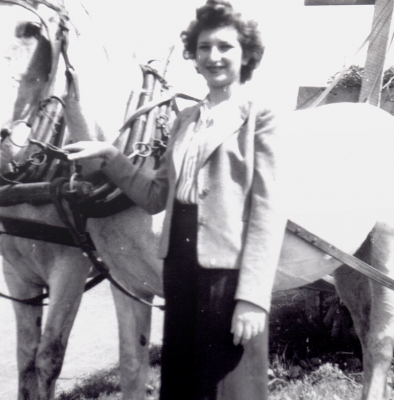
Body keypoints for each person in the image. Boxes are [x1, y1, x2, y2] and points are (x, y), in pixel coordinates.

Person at [64, 1, 286, 399]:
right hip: (179, 265)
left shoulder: (260, 115)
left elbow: (269, 211)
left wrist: (252, 297)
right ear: (193, 55)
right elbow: (154, 197)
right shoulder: (185, 119)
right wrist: (112, 157)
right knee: (183, 379)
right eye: (203, 48)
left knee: (231, 385)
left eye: (225, 47)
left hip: (227, 271)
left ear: (247, 54)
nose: (213, 57)